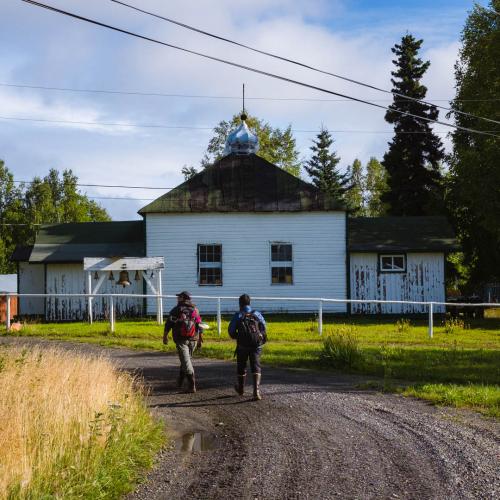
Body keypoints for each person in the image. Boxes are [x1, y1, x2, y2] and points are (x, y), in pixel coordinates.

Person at [228, 294, 267, 401]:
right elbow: (264, 327)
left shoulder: (238, 315)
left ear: (240, 303)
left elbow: (231, 331)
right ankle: (256, 391)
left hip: (242, 346)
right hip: (256, 345)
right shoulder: (257, 314)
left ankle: (241, 389)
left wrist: (238, 337)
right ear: (249, 303)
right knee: (256, 365)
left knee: (241, 366)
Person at [163, 291, 203, 393]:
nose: (177, 299)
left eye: (179, 297)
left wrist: (165, 336)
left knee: (186, 362)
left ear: (182, 298)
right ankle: (180, 381)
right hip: (194, 339)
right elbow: (199, 325)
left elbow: (169, 323)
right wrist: (200, 339)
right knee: (186, 360)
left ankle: (192, 385)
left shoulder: (177, 310)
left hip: (181, 340)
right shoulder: (195, 310)